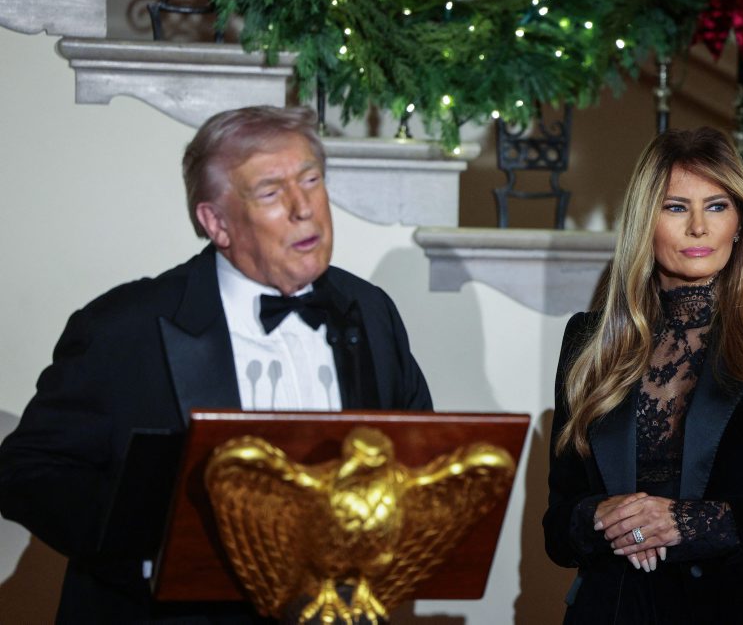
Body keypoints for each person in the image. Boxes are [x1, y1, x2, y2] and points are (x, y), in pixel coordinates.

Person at [0, 105, 432, 623]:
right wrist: (153, 545)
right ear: (216, 223)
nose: (303, 208)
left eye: (311, 180)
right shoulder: (125, 327)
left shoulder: (372, 311)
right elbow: (26, 472)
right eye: (270, 192)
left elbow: (417, 463)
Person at [543, 127, 743, 624]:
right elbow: (558, 528)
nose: (699, 227)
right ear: (645, 223)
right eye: (675, 208)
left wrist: (693, 522)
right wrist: (597, 517)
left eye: (717, 206)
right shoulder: (589, 341)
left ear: (740, 222)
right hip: (614, 611)